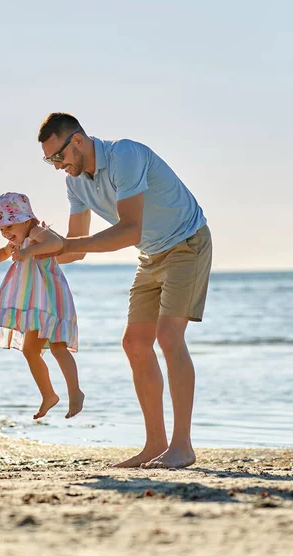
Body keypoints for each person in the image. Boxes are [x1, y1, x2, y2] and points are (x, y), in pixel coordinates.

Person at [38, 113, 212, 469]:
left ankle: (182, 446)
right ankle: (155, 445)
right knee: (134, 342)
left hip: (186, 243)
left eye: (58, 157)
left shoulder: (125, 156)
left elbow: (129, 230)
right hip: (151, 254)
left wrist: (62, 246)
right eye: (49, 161)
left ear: (78, 142)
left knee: (168, 335)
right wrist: (34, 252)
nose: (57, 166)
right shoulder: (75, 182)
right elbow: (78, 248)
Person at [0, 191, 84, 420]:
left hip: (50, 299)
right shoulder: (14, 243)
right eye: (3, 229)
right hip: (32, 305)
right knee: (30, 350)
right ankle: (49, 395)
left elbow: (55, 242)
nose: (7, 233)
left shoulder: (36, 233)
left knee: (58, 347)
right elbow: (3, 252)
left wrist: (28, 251)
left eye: (10, 225)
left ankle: (75, 392)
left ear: (26, 220)